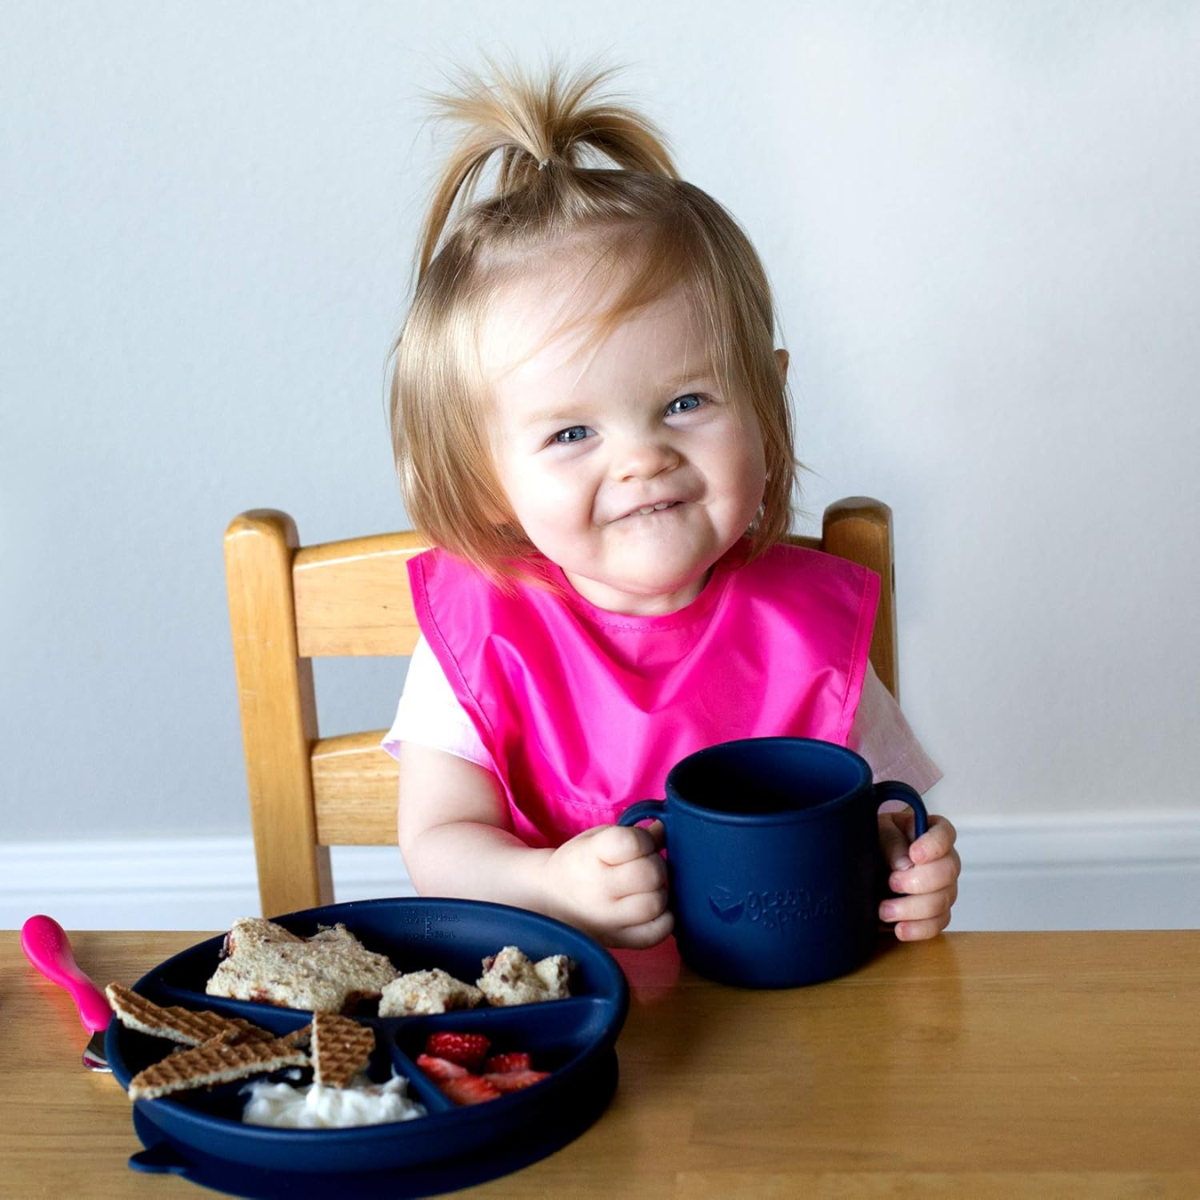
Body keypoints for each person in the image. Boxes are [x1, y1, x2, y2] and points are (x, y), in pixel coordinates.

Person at [382, 58, 960, 949]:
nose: (643, 459)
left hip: (784, 1015)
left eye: (686, 402)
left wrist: (902, 869)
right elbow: (438, 843)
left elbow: (883, 820)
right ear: (487, 474)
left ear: (765, 401)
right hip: (565, 1009)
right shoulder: (479, 632)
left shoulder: (809, 625)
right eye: (572, 432)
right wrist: (548, 883)